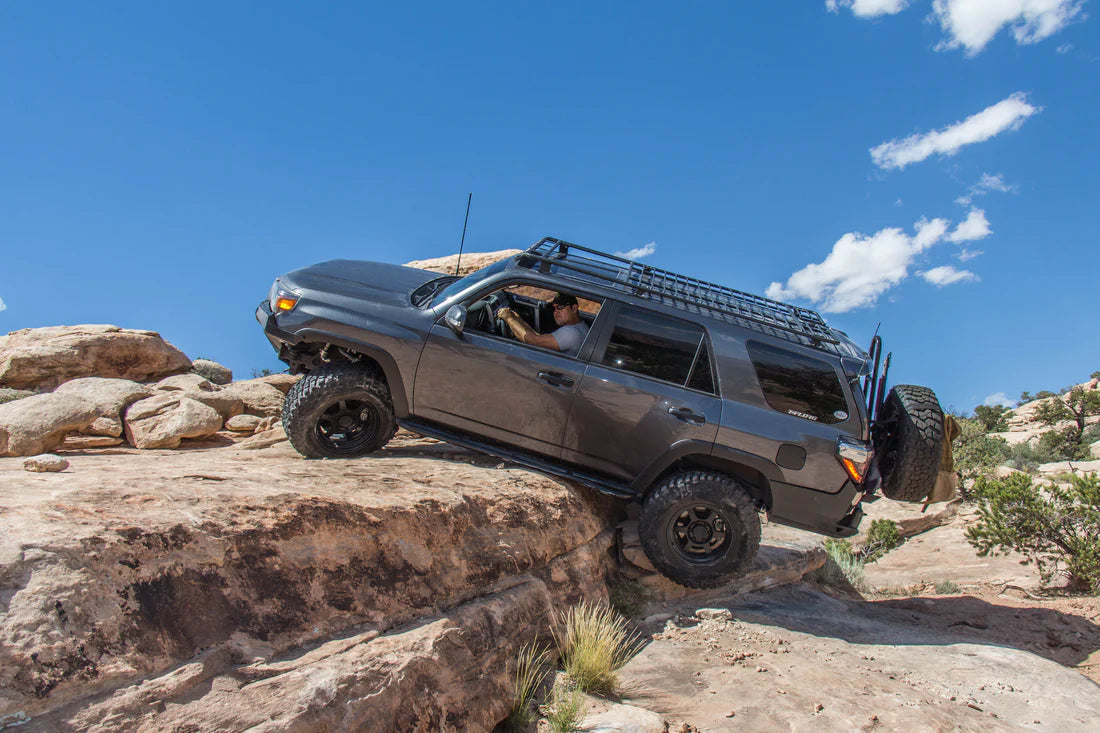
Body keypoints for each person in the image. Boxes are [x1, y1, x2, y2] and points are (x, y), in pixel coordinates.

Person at [496, 293, 588, 356]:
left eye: (560, 307)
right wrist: (517, 319)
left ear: (574, 308)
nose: (556, 312)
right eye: (554, 308)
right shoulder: (581, 326)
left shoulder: (571, 333)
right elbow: (538, 337)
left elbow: (533, 341)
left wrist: (509, 319)